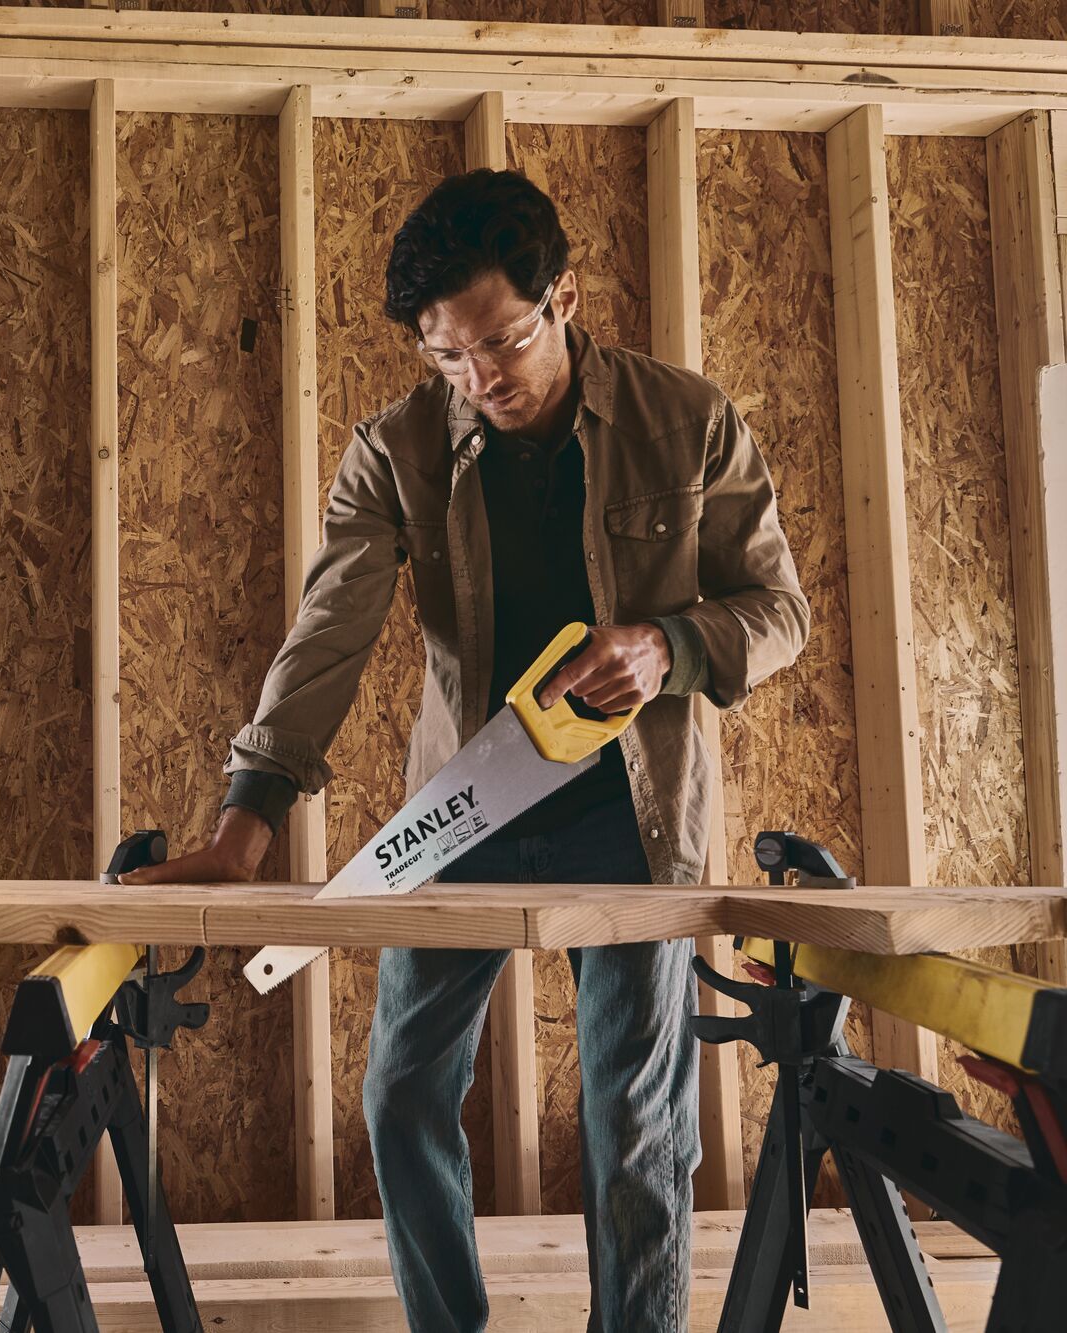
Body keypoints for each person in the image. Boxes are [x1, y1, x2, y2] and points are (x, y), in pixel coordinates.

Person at [122, 168, 809, 1332]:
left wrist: (666, 646)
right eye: (447, 357)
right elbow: (324, 636)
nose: (480, 379)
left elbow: (777, 610)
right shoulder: (394, 450)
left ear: (565, 299)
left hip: (628, 819)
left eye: (500, 341)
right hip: (462, 816)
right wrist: (241, 829)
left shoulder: (688, 421)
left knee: (634, 1129)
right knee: (398, 1098)